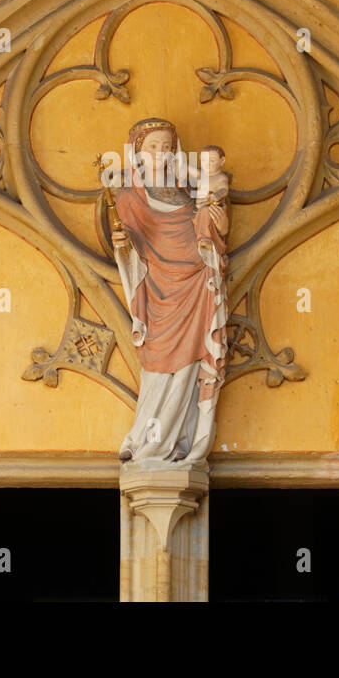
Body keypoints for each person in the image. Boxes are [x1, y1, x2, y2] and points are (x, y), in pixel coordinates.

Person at [107, 118, 228, 464]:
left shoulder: (192, 191)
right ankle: (146, 439)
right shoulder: (128, 197)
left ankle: (180, 441)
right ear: (138, 153)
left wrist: (217, 225)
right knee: (158, 363)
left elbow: (211, 227)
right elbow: (129, 246)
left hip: (196, 283)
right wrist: (122, 245)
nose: (161, 153)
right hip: (156, 290)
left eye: (166, 146)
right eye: (152, 146)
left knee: (192, 363)